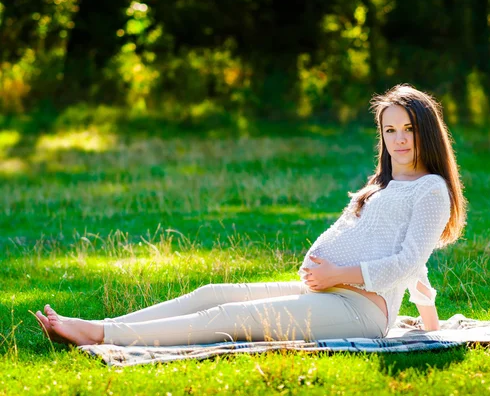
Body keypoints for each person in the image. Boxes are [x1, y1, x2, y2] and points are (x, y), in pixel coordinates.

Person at [35, 84, 466, 347]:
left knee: (226, 321)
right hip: (330, 292)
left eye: (408, 128)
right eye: (390, 129)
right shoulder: (385, 185)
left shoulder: (431, 190)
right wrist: (428, 317)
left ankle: (99, 337)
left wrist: (337, 273)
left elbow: (407, 262)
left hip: (362, 311)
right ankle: (100, 324)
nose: (398, 138)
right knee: (212, 293)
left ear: (425, 130)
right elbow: (414, 268)